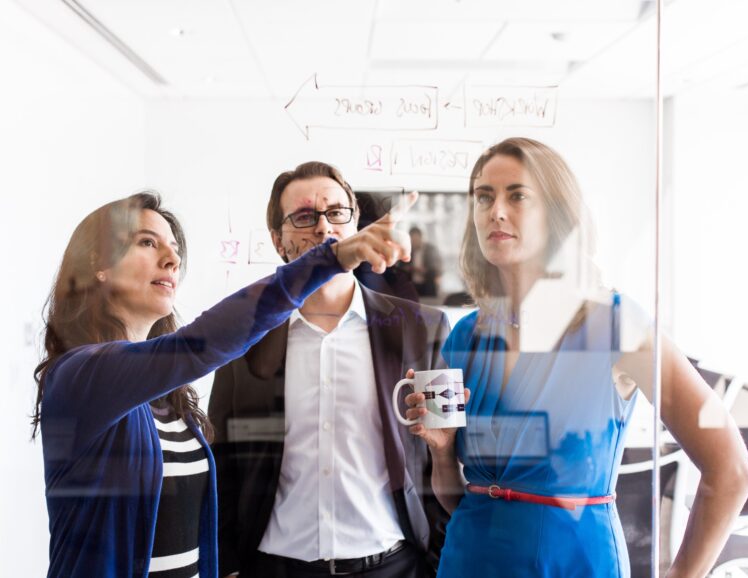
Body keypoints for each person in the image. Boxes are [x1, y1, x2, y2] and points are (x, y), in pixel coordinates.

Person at [405, 137, 748, 577]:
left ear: (558, 215)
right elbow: (460, 498)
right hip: (470, 561)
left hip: (574, 564)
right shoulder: (466, 336)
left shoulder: (616, 325)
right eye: (484, 197)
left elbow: (732, 471)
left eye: (517, 196)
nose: (496, 211)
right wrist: (441, 453)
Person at [32, 189, 415, 578]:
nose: (172, 259)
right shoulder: (81, 375)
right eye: (147, 242)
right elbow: (202, 343)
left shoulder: (165, 397)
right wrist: (333, 257)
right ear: (98, 264)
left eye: (174, 248)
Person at [208, 162, 450, 578]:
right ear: (278, 240)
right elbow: (222, 463)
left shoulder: (421, 329)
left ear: (356, 225)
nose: (324, 228)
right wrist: (227, 566)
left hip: (394, 566)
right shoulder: (245, 334)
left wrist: (438, 561)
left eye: (337, 212)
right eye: (304, 217)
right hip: (274, 568)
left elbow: (442, 453)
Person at [407, 227, 443, 298]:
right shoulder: (408, 251)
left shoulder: (431, 249)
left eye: (416, 239)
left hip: (428, 284)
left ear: (421, 238)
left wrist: (424, 270)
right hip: (413, 285)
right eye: (412, 240)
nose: (414, 242)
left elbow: (436, 268)